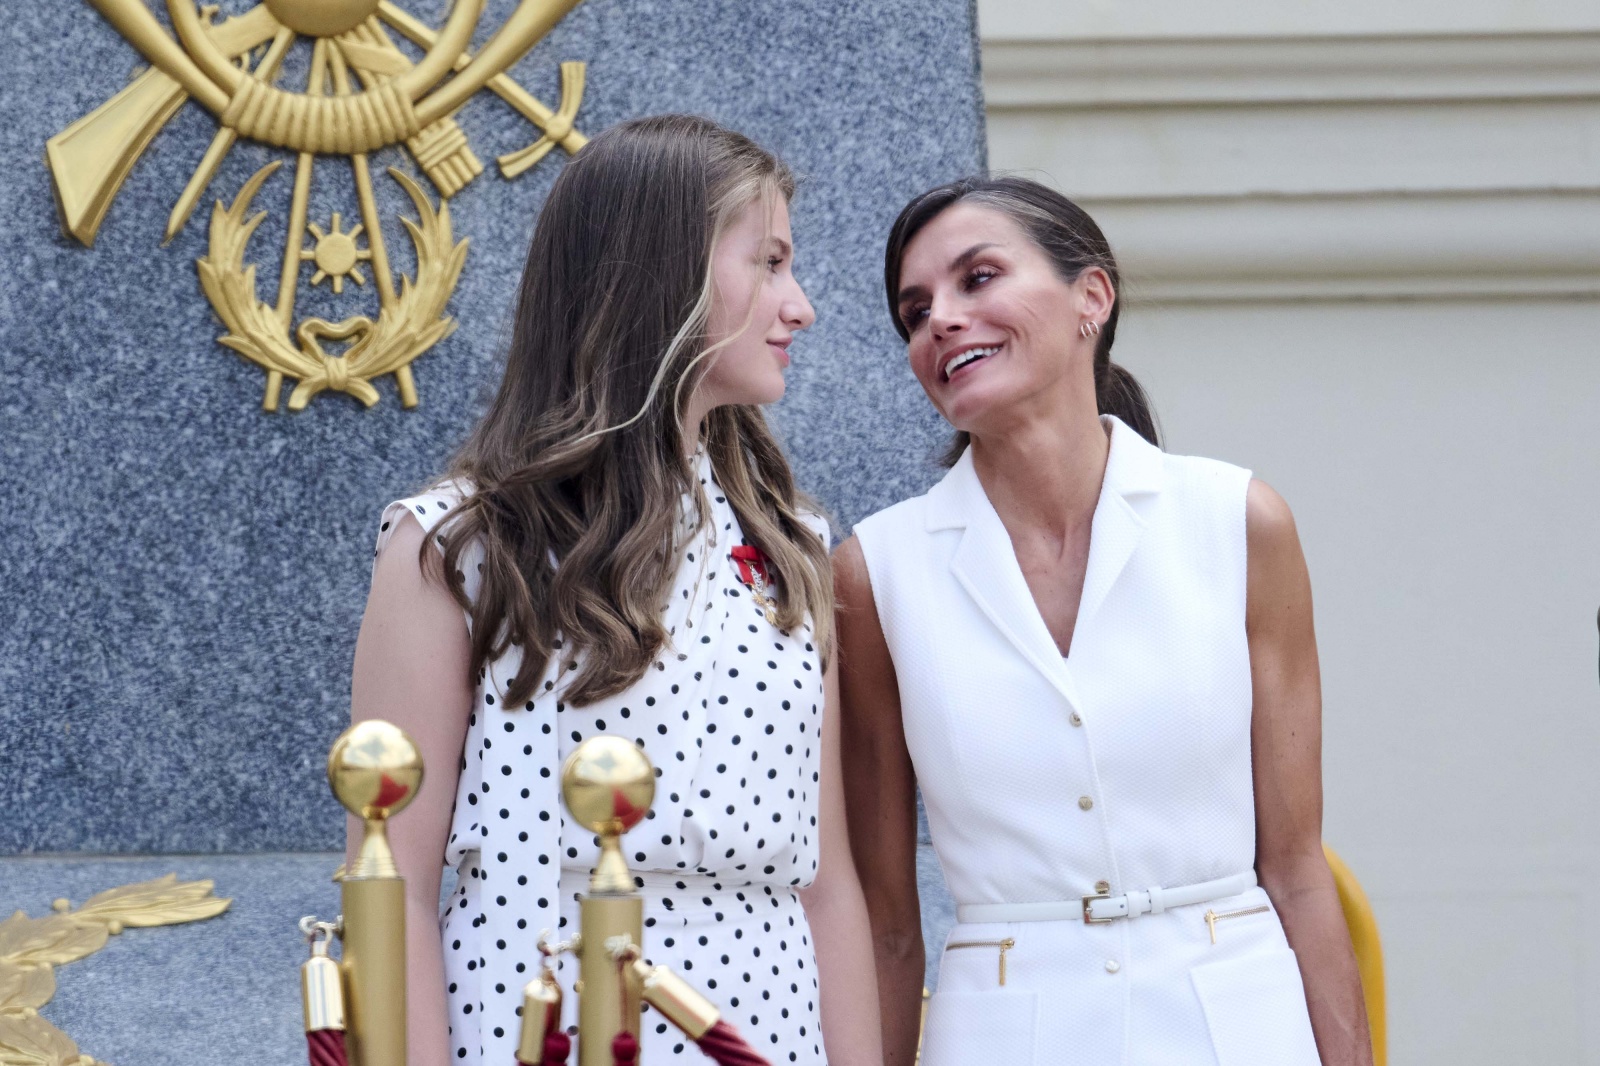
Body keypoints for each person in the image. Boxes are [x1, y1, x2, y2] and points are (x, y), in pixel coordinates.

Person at [349, 114, 882, 1066]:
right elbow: (391, 880)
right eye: (767, 262)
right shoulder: (456, 546)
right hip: (544, 1019)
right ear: (661, 272)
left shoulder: (794, 544)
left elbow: (827, 881)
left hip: (771, 1026)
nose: (799, 306)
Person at [834, 176, 1372, 1066]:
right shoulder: (877, 571)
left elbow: (1298, 869)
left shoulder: (1237, 521)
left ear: (1092, 296)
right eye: (915, 309)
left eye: (978, 278)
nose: (941, 320)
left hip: (1236, 1019)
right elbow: (888, 927)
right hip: (1002, 1033)